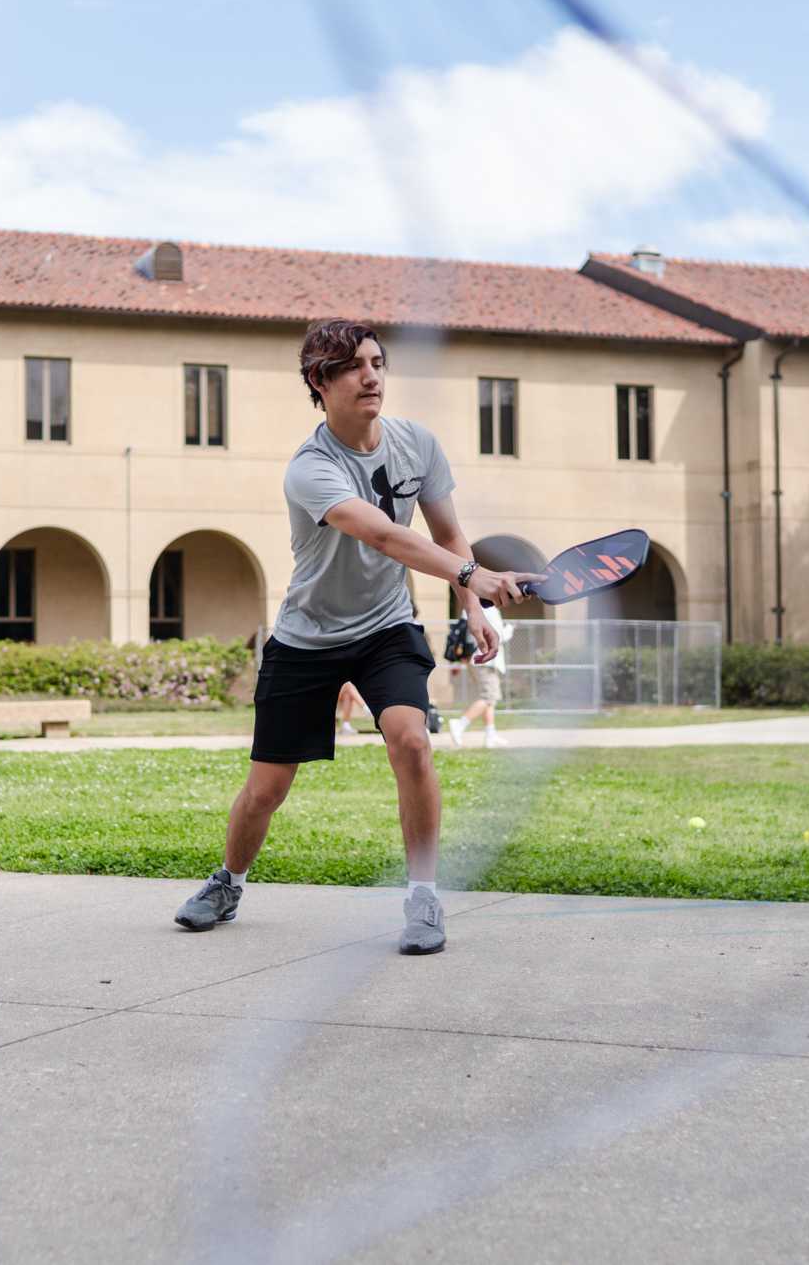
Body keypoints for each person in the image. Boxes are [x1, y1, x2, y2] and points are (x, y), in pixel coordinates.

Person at [173, 319, 541, 954]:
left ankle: (424, 898)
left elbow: (448, 533)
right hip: (306, 638)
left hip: (386, 626)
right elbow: (385, 535)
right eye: (352, 367)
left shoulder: (417, 444)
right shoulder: (310, 469)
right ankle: (227, 883)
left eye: (376, 362)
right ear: (320, 381)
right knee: (267, 788)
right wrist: (477, 578)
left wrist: (470, 608)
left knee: (411, 741)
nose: (371, 376)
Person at [448, 603, 513, 748]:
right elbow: (497, 636)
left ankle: (490, 735)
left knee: (489, 699)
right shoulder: (489, 609)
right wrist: (509, 630)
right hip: (486, 659)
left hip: (475, 658)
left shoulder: (470, 607)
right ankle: (460, 724)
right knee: (488, 697)